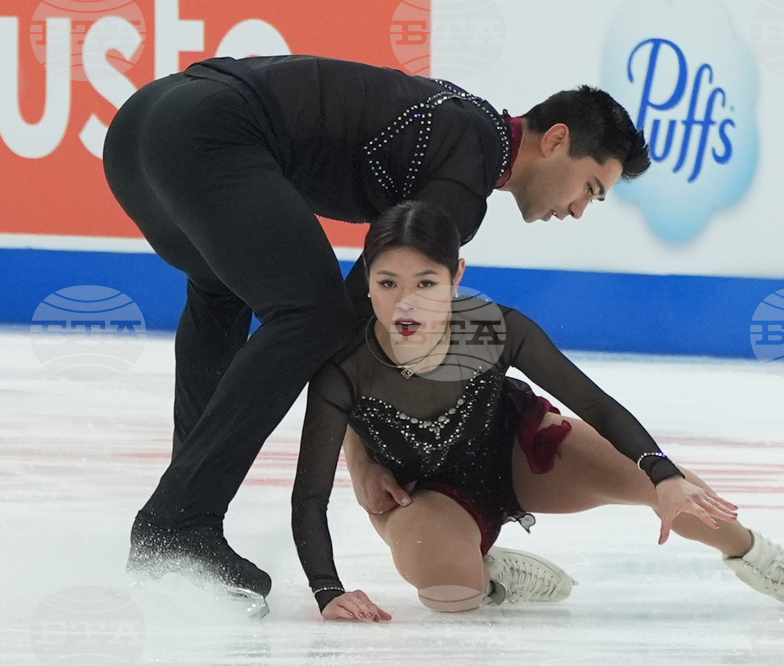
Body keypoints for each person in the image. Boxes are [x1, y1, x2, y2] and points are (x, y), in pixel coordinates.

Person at [102, 53, 646, 609]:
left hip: (141, 128)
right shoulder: (468, 171)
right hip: (209, 133)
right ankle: (179, 522)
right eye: (590, 187)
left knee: (221, 292)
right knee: (313, 317)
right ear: (556, 140)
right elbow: (360, 320)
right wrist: (369, 460)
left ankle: (180, 523)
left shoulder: (468, 125)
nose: (579, 210)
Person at [292, 200, 784, 621]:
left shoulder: (493, 329)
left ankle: (758, 554)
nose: (407, 302)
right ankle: (484, 572)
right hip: (419, 492)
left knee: (662, 486)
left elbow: (595, 403)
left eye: (427, 282)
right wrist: (327, 590)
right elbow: (310, 495)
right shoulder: (344, 364)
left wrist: (663, 472)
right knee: (450, 594)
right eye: (388, 283)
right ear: (366, 279)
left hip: (519, 451)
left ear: (457, 277)